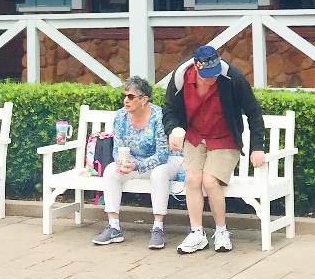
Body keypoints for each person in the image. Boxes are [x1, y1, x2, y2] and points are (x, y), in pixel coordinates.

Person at [161, 44, 266, 254]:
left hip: (224, 138)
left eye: (215, 74)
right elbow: (169, 109)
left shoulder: (232, 77)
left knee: (209, 181)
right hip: (194, 136)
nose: (212, 78)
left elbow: (253, 111)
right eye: (207, 75)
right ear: (196, 67)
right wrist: (172, 130)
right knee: (192, 179)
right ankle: (197, 233)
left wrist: (257, 147)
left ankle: (221, 231)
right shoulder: (181, 77)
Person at [92, 75, 184, 250]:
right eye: (124, 96)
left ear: (144, 100)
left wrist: (138, 166)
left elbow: (162, 154)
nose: (126, 100)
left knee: (159, 173)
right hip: (134, 162)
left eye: (131, 96)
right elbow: (117, 148)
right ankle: (114, 227)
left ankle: (158, 228)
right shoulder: (120, 116)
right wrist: (123, 163)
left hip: (167, 161)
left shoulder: (158, 115)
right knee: (111, 171)